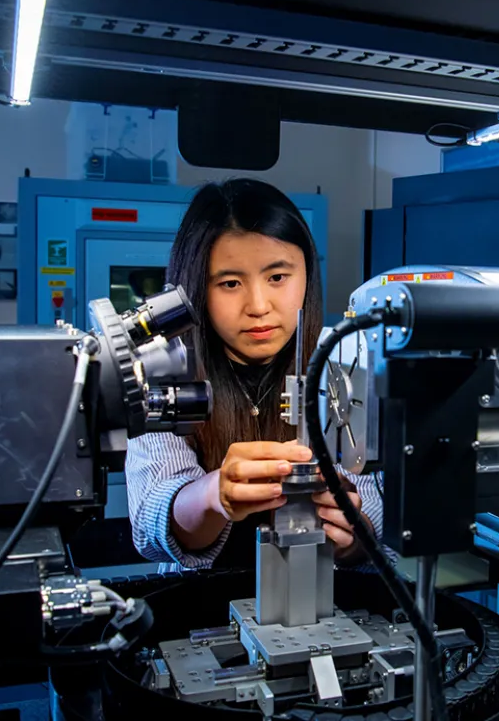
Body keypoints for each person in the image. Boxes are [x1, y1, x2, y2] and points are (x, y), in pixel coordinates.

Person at [125, 179, 384, 571]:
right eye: (230, 284)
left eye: (277, 278)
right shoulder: (164, 372)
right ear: (195, 288)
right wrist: (214, 495)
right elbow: (151, 522)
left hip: (324, 602)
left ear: (307, 278)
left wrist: (351, 536)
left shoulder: (346, 361)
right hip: (199, 605)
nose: (259, 306)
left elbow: (373, 505)